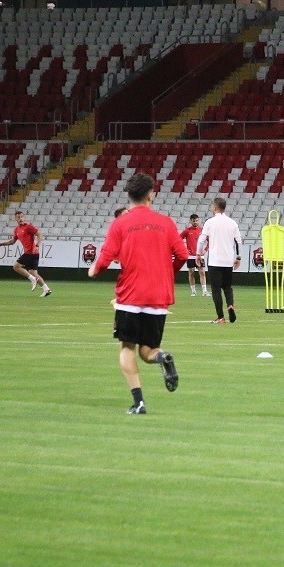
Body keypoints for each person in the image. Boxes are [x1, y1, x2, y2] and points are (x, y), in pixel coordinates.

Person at [88, 173, 188, 415]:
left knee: (126, 348)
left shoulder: (120, 223)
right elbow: (183, 255)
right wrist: (167, 273)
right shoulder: (166, 223)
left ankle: (139, 402)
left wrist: (94, 270)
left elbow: (105, 257)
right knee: (149, 350)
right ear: (150, 195)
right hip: (158, 296)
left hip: (130, 295)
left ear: (128, 195)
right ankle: (161, 356)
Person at [197, 197, 242, 324]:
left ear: (215, 207)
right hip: (228, 261)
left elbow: (202, 240)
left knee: (216, 289)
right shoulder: (232, 223)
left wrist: (198, 254)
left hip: (214, 261)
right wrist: (238, 257)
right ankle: (230, 305)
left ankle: (221, 317)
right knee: (227, 287)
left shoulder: (210, 222)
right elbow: (238, 241)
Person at [0, 211, 52, 297]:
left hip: (31, 252)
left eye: (22, 217)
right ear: (16, 219)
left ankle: (33, 279)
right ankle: (46, 289)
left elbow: (39, 234)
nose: (20, 218)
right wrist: (2, 244)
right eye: (18, 217)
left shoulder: (28, 227)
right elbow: (12, 241)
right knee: (33, 272)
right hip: (32, 253)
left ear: (24, 217)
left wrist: (37, 245)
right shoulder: (17, 229)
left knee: (16, 266)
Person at [180, 214, 209, 297]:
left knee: (202, 272)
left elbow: (210, 241)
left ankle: (204, 291)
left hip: (200, 256)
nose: (195, 222)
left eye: (196, 220)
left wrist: (205, 250)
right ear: (190, 221)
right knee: (191, 273)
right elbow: (178, 239)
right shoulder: (187, 231)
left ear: (198, 220)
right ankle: (193, 291)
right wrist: (184, 249)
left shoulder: (203, 231)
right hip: (190, 256)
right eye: (193, 221)